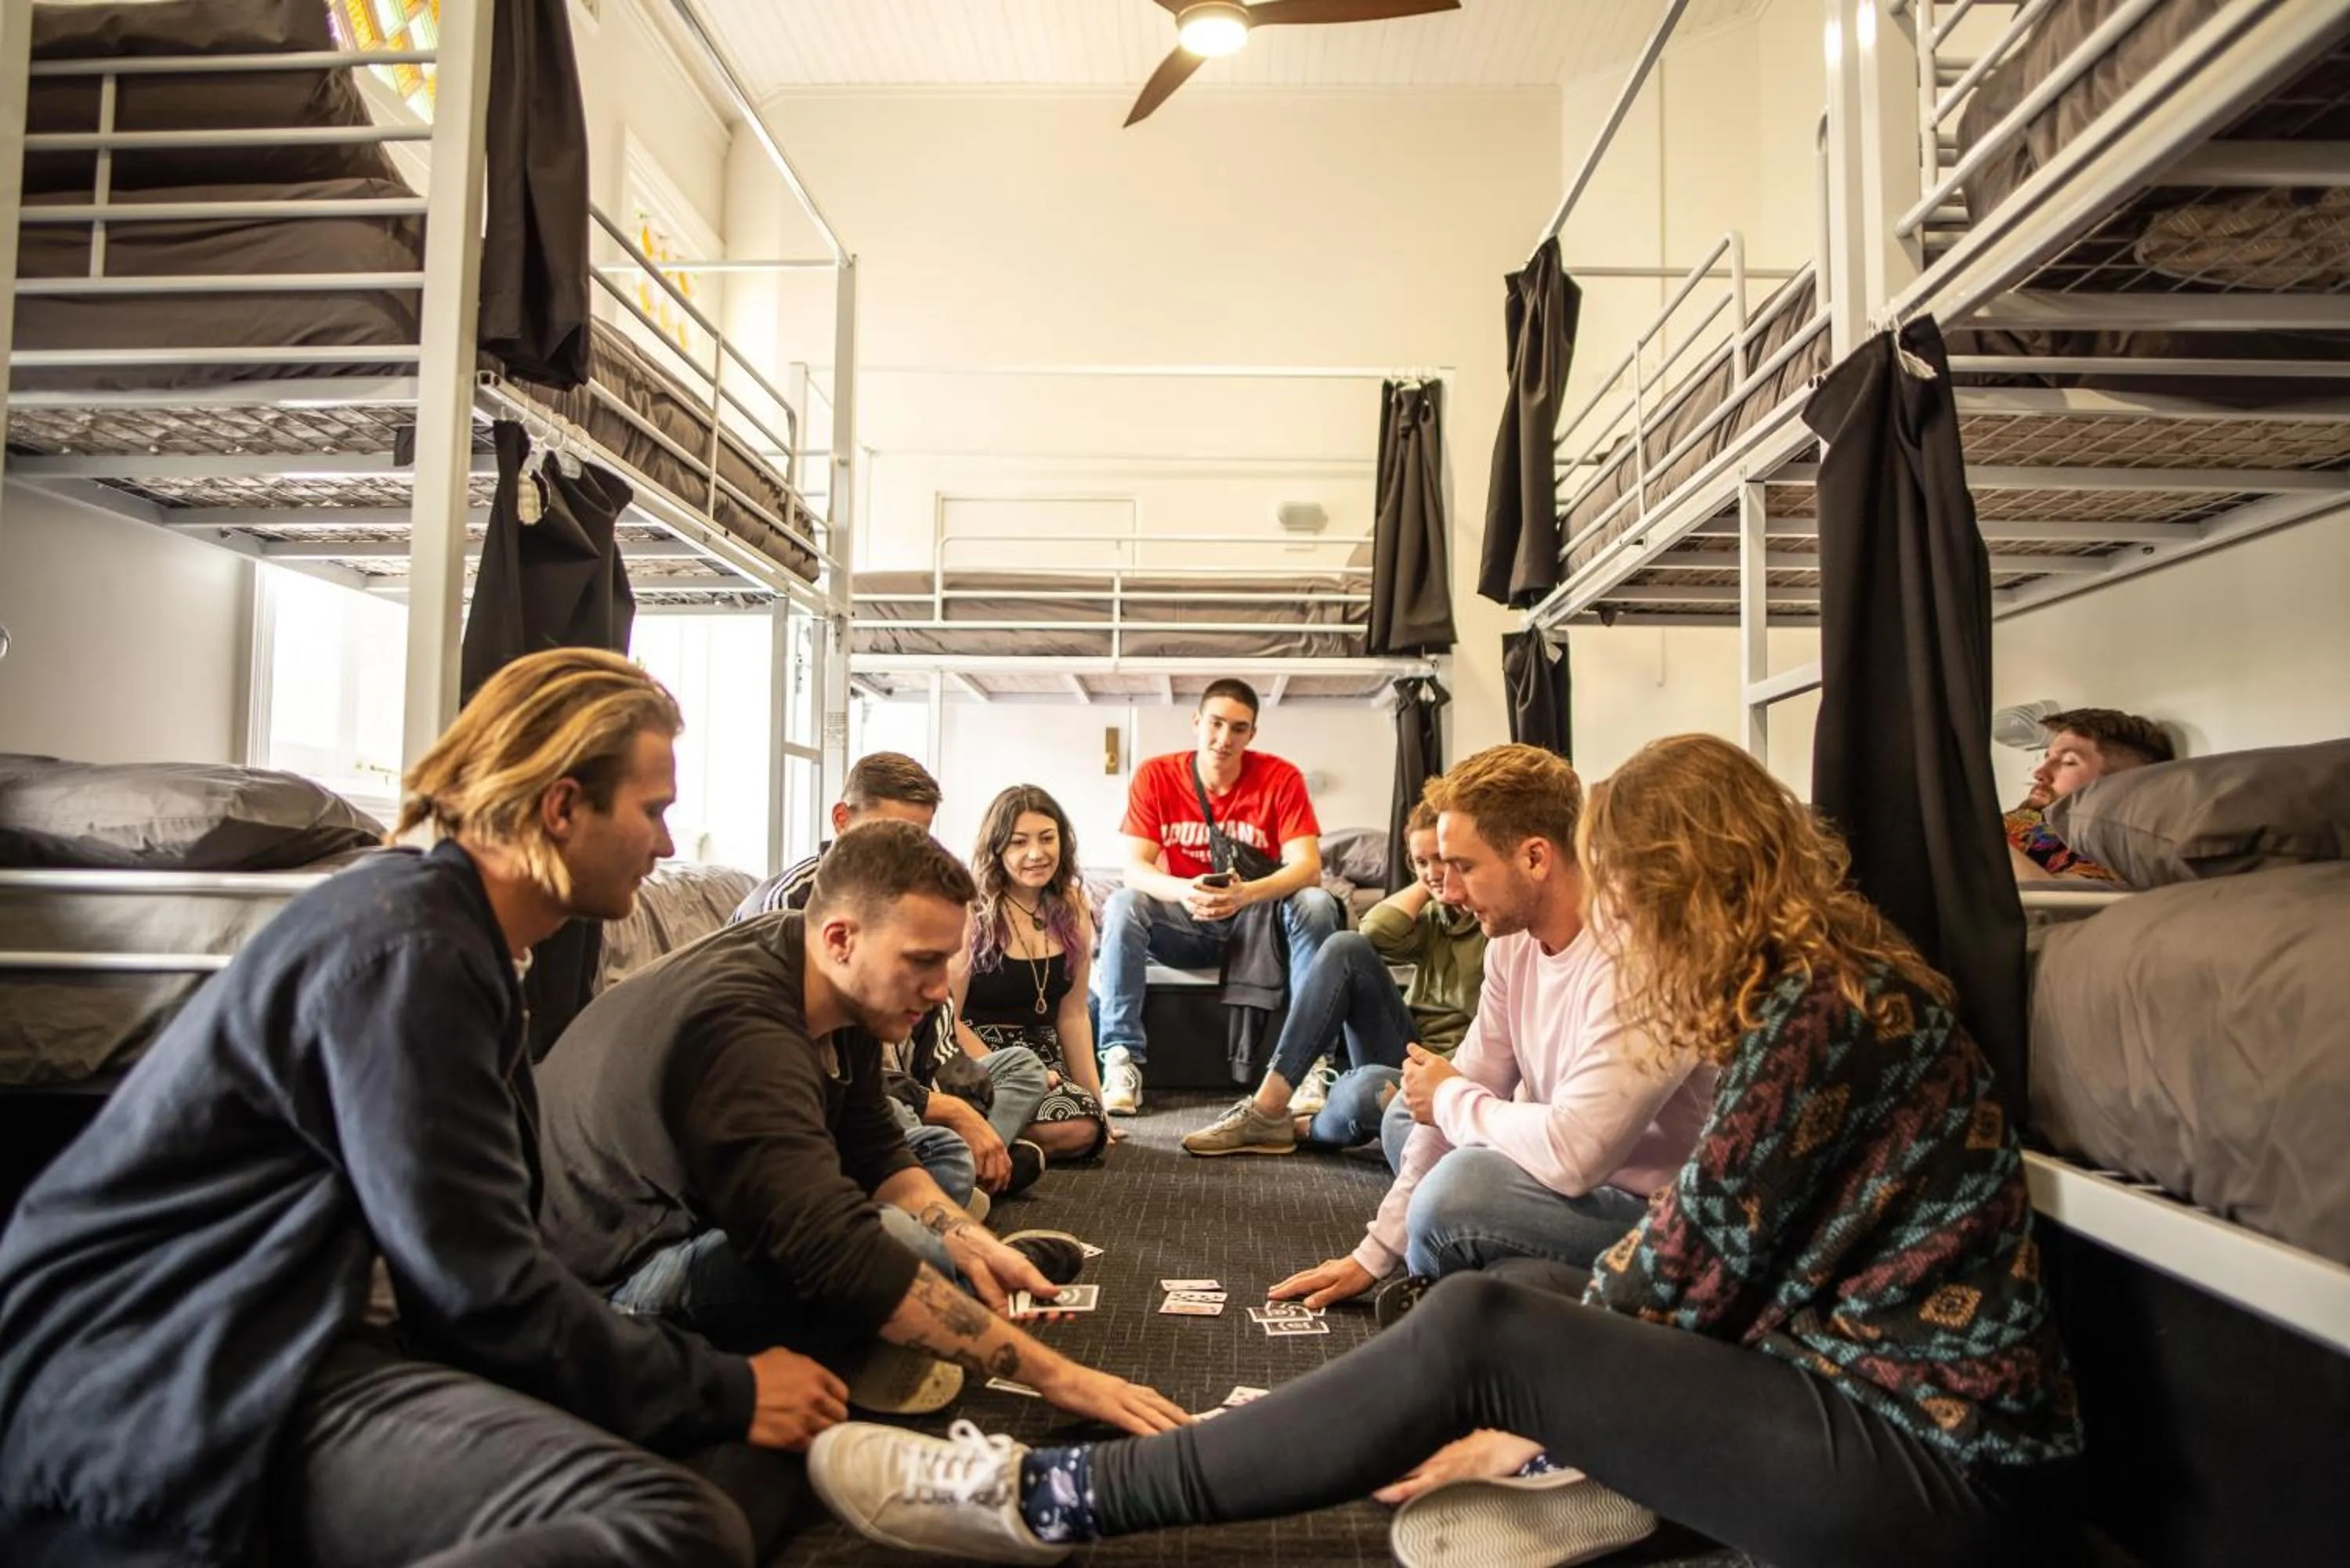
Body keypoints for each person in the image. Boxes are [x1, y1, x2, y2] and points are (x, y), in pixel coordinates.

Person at [804, 733, 2085, 1568]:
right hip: (1821, 1384)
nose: (1620, 908)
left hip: (1940, 1484)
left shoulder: (1830, 1013)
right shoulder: (1809, 991)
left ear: (1697, 877)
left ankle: (1061, 1499)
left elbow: (1686, 1274)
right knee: (1514, 1303)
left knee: (1485, 1329)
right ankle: (1608, 1478)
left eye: (1630, 882)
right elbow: (1701, 1255)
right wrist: (1526, 1402)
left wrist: (1509, 1410)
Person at [0, 649, 843, 1568]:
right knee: (672, 1523)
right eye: (654, 811)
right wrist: (728, 1386)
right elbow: (481, 1290)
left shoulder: (457, 940)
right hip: (178, 1368)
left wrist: (717, 1395)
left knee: (744, 1462)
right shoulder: (412, 952)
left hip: (302, 1330)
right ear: (562, 806)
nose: (669, 845)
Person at [538, 819, 1188, 1437]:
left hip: (704, 1219)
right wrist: (1059, 1378)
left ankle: (934, 1294)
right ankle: (882, 1332)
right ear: (842, 939)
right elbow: (828, 1245)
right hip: (612, 1300)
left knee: (919, 1232)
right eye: (922, 962)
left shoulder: (822, 976)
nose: (940, 990)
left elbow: (878, 1153)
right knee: (885, 1242)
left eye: (946, 963)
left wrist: (965, 1236)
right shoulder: (745, 1033)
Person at [1267, 744, 1714, 1320]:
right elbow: (1465, 1085)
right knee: (1410, 1119)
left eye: (1464, 867)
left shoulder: (1642, 956)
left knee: (1459, 1188)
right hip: (1545, 1174)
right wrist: (1373, 1255)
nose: (1448, 891)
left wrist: (1452, 1099)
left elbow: (1574, 1153)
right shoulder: (1510, 943)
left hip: (1649, 1211)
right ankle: (1515, 1287)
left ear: (1534, 858)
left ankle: (1469, 1295)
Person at [732, 752, 1051, 1202]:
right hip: (849, 1090)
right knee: (906, 1129)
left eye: (916, 836)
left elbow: (935, 1021)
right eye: (889, 833)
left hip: (903, 1079)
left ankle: (960, 1163)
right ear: (842, 819)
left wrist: (957, 1093)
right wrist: (934, 1105)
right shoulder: (791, 907)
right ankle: (954, 1169)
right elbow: (819, 1067)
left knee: (1021, 1067)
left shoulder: (909, 898)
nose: (903, 852)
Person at [1182, 799, 1487, 1157]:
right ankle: (1268, 1108)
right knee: (1345, 946)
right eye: (1420, 861)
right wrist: (1428, 882)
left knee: (1362, 1091)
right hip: (1409, 1049)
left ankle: (1311, 1127)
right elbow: (1373, 933)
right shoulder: (1438, 915)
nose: (1434, 871)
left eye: (1443, 857)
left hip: (1456, 1072)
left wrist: (1439, 873)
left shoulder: (1498, 925)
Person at [1094, 678, 1341, 1114]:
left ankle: (1308, 1065)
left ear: (1252, 734)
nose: (1224, 739)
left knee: (1317, 904)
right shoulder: (1156, 775)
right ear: (1196, 722)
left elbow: (1308, 868)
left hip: (1259, 931)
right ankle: (1121, 1060)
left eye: (1239, 729)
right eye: (1216, 724)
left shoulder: (1280, 776)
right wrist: (1183, 891)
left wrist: (1247, 895)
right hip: (1187, 925)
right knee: (1121, 903)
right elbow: (1135, 868)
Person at [956, 786, 1118, 1163]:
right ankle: (986, 1145)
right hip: (979, 1056)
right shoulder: (971, 908)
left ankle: (996, 1143)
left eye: (1047, 839)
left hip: (1045, 1054)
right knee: (1072, 1126)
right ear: (996, 849)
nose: (1036, 854)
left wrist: (1098, 1103)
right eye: (1018, 842)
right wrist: (1010, 1072)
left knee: (1084, 1124)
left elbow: (1074, 1015)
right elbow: (951, 1016)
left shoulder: (1073, 903)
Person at [2004, 707, 2174, 882]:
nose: (2039, 773)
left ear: (2118, 785)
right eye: (2047, 758)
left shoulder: (2108, 847)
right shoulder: (2024, 818)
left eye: (2069, 762)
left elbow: (2052, 900)